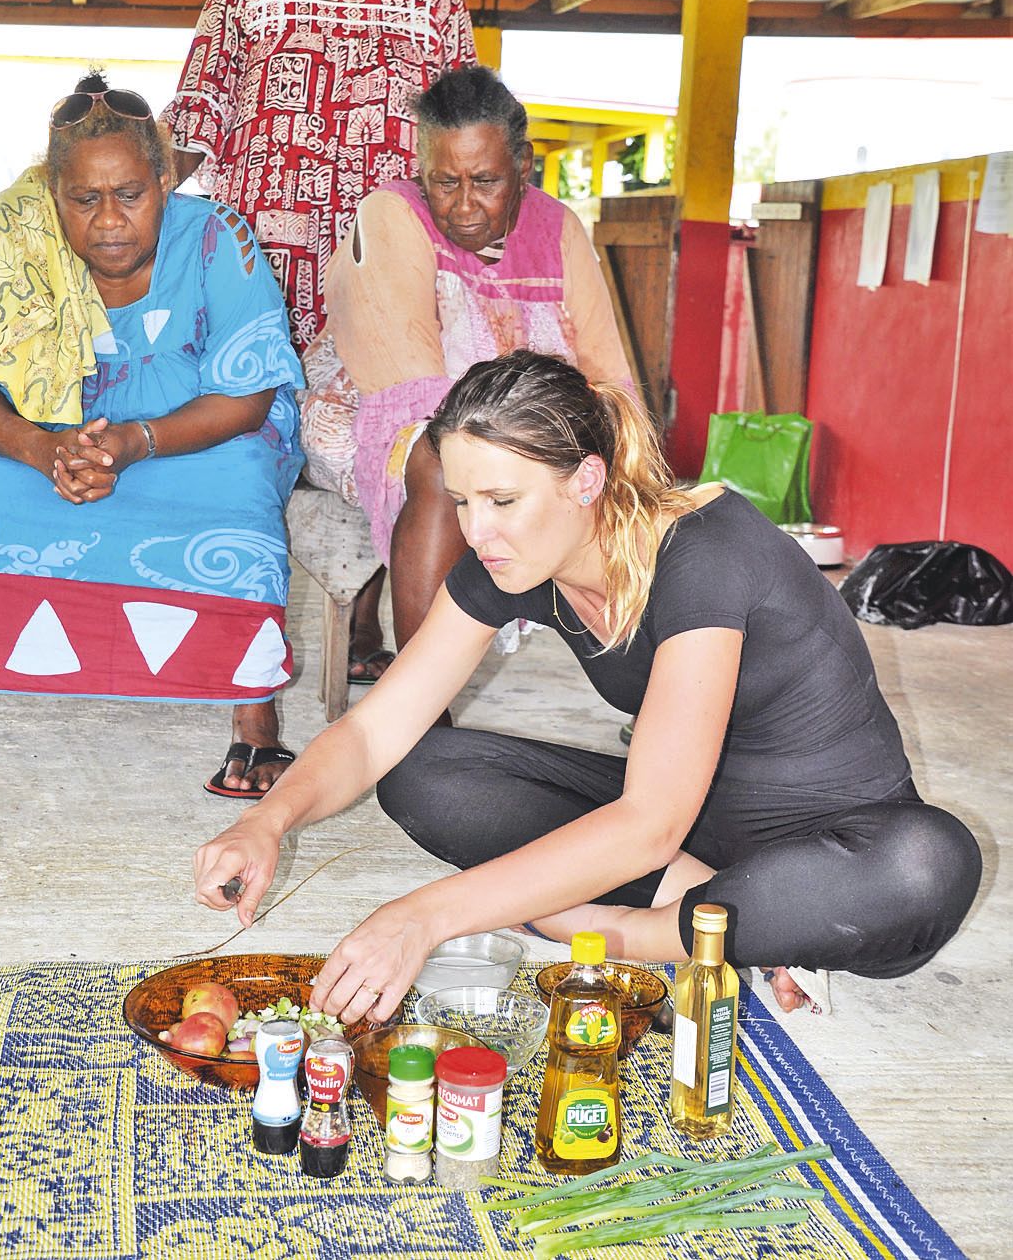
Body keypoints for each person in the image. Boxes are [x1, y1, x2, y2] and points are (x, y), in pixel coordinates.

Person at [193, 350, 982, 1023]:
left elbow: (644, 824)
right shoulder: (513, 560)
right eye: (463, 502)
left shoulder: (706, 552)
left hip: (838, 840)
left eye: (503, 501)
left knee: (927, 863)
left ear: (586, 481)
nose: (476, 531)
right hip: (689, 839)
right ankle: (722, 920)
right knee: (426, 771)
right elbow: (375, 731)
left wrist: (421, 916)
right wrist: (269, 820)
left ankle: (642, 933)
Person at [162, 0, 477, 760]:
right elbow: (203, 100)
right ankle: (245, 680)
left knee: (392, 439)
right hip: (261, 259)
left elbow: (463, 120)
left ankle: (386, 646)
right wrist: (132, 210)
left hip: (381, 264)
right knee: (253, 443)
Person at [0, 74, 303, 794]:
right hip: (42, 440)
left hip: (185, 435)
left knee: (240, 475)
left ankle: (256, 726)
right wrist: (40, 450)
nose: (110, 220)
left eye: (131, 194)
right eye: (84, 200)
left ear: (164, 179)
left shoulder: (217, 237)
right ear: (50, 192)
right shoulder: (5, 244)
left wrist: (132, 442)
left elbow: (245, 396)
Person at [300, 65, 633, 652]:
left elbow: (607, 372)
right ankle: (424, 713)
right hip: (377, 415)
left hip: (524, 426)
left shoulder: (560, 228)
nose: (462, 206)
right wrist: (510, 450)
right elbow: (409, 385)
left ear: (523, 166)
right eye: (443, 181)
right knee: (441, 460)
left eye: (485, 181)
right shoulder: (391, 212)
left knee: (625, 479)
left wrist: (609, 450)